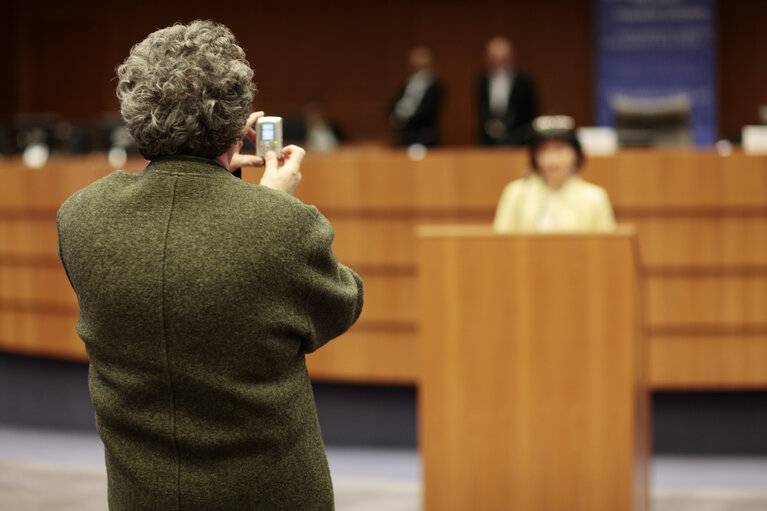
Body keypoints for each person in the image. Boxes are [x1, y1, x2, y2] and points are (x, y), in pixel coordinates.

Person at [56, 21, 363, 511]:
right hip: (269, 495)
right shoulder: (281, 226)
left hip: (142, 496)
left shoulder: (80, 216)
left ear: (134, 113)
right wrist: (271, 206)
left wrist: (252, 207)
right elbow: (341, 307)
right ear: (241, 125)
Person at [493, 115, 616, 232]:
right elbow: (500, 243)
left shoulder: (594, 197)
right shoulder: (516, 194)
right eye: (544, 150)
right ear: (534, 156)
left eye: (560, 149)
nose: (553, 159)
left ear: (576, 153)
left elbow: (606, 247)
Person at [478, 36, 537, 146]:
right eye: (495, 58)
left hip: (519, 139)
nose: (499, 62)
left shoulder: (524, 81)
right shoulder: (482, 81)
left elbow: (531, 112)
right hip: (489, 141)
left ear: (511, 57)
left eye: (503, 58)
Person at [389, 46, 444, 147]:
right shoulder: (407, 83)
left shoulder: (436, 85)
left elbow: (429, 111)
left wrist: (409, 115)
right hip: (406, 134)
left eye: (422, 66)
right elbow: (393, 104)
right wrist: (396, 116)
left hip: (425, 135)